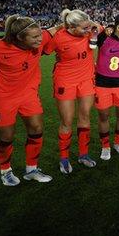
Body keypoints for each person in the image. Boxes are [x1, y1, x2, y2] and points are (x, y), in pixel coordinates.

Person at [0, 15, 59, 185]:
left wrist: (78, 21)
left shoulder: (40, 38)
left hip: (28, 94)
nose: (40, 39)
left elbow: (55, 29)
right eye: (35, 37)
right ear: (20, 38)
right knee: (7, 136)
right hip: (2, 96)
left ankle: (31, 169)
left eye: (40, 35)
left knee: (36, 129)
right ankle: (5, 170)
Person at [45, 9, 102, 174]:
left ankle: (83, 154)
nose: (87, 31)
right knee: (67, 121)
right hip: (65, 81)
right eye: (83, 29)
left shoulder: (89, 31)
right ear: (71, 26)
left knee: (85, 117)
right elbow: (44, 49)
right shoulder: (59, 37)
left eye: (88, 28)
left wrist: (93, 27)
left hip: (86, 80)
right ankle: (64, 158)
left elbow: (99, 27)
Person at [94, 10, 119, 160]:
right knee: (104, 116)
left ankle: (118, 143)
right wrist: (105, 29)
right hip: (103, 83)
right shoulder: (104, 37)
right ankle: (105, 146)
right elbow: (91, 30)